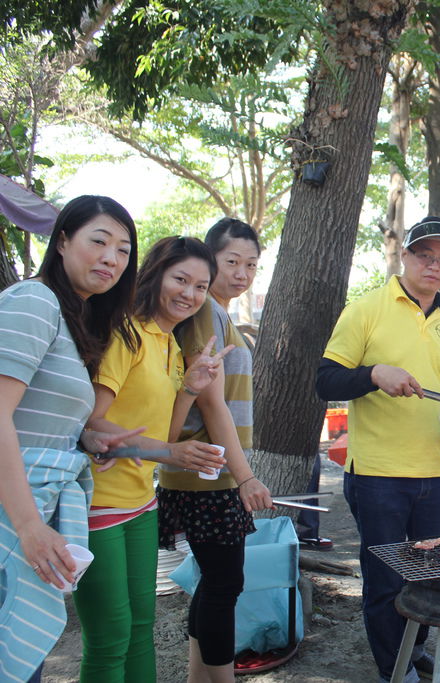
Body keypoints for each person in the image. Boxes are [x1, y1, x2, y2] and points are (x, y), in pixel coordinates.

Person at [316, 217, 440, 683]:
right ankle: (395, 668)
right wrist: (374, 374)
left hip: (434, 471)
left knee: (432, 571)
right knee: (385, 579)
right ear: (405, 256)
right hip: (377, 473)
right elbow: (325, 381)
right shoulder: (366, 308)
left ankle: (414, 650)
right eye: (425, 255)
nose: (435, 265)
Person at [0, 196, 144, 682]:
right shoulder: (34, 300)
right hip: (13, 517)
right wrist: (28, 526)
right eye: (98, 241)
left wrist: (84, 439)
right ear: (62, 241)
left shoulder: (74, 319)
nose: (111, 258)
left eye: (123, 250)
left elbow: (32, 419)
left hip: (32, 509)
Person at [77, 236, 230, 682]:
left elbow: (163, 436)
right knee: (110, 638)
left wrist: (190, 389)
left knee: (141, 628)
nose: (190, 294)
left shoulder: (170, 344)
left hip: (142, 503)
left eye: (201, 287)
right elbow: (93, 422)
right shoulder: (125, 333)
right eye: (180, 279)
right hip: (98, 503)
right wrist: (171, 453)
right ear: (155, 275)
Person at [161, 219, 274, 683]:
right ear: (210, 260)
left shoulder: (218, 311)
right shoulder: (207, 310)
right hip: (208, 471)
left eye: (252, 264)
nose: (242, 273)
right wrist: (244, 476)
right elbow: (211, 404)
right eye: (232, 262)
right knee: (225, 585)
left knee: (214, 582)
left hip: (213, 468)